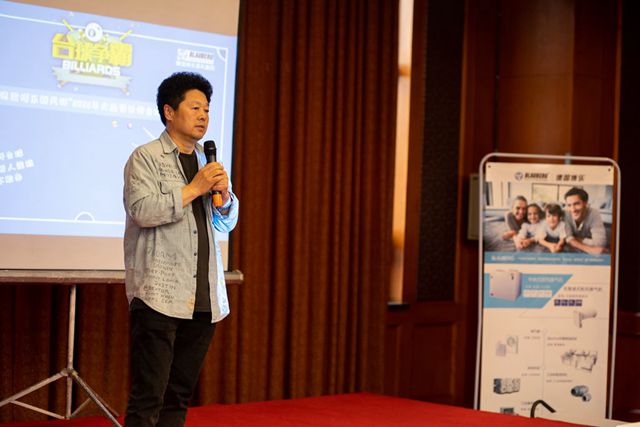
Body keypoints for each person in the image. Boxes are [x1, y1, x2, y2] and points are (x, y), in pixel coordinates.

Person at [122, 71, 239, 427]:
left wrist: (223, 198)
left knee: (178, 396)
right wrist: (193, 188)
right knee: (149, 397)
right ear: (169, 112)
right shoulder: (145, 157)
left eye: (207, 109)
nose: (204, 115)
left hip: (203, 296)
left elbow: (225, 223)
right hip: (159, 294)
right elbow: (141, 211)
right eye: (195, 107)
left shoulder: (207, 161)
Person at [563, 187, 607, 254]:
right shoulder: (565, 213)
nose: (573, 209)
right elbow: (567, 238)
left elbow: (600, 243)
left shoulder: (594, 213)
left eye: (576, 204)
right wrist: (589, 249)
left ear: (585, 203)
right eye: (569, 205)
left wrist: (574, 239)